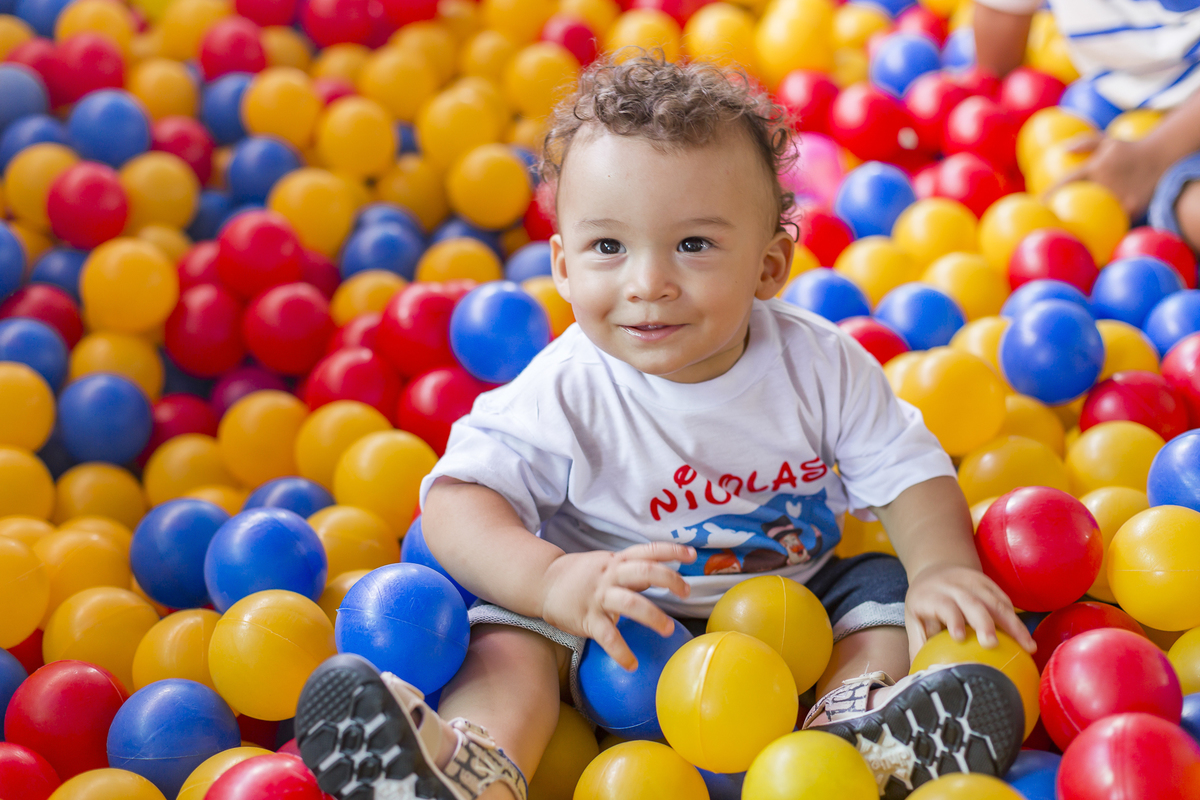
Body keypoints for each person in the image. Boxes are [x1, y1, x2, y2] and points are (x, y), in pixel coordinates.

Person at [294, 54, 1036, 800]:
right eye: (608, 247)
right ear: (561, 265)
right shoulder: (568, 388)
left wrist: (942, 566)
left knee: (882, 590)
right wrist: (553, 581)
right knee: (508, 632)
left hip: (794, 609)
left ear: (769, 265)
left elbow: (907, 470)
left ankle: (850, 730)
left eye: (694, 245)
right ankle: (479, 761)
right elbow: (456, 501)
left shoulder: (821, 366)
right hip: (607, 626)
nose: (648, 282)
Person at [973, 0, 1200, 250]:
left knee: (1192, 210)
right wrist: (992, 110)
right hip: (1116, 91)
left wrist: (1153, 157)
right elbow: (1000, 16)